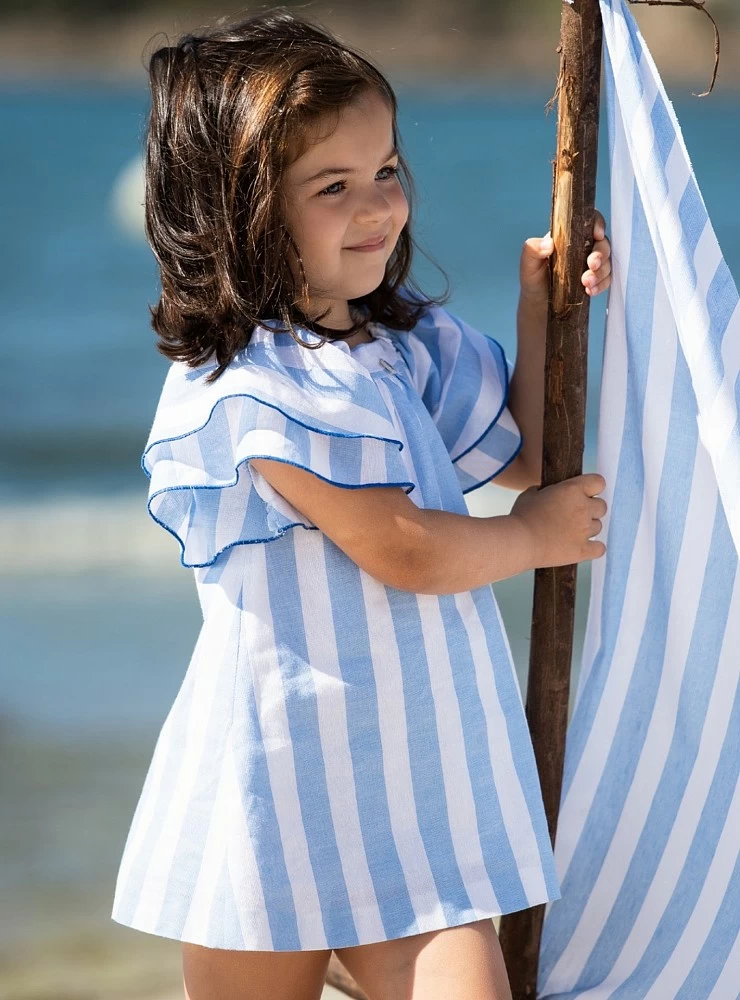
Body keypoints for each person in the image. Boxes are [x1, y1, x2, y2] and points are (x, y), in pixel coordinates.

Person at [110, 8, 612, 1000]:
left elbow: (533, 451)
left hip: (419, 801)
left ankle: (354, 950)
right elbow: (405, 549)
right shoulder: (250, 389)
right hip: (277, 794)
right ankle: (327, 948)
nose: (378, 205)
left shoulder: (400, 345)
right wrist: (526, 537)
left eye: (385, 169)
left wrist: (541, 298)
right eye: (331, 187)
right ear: (237, 214)